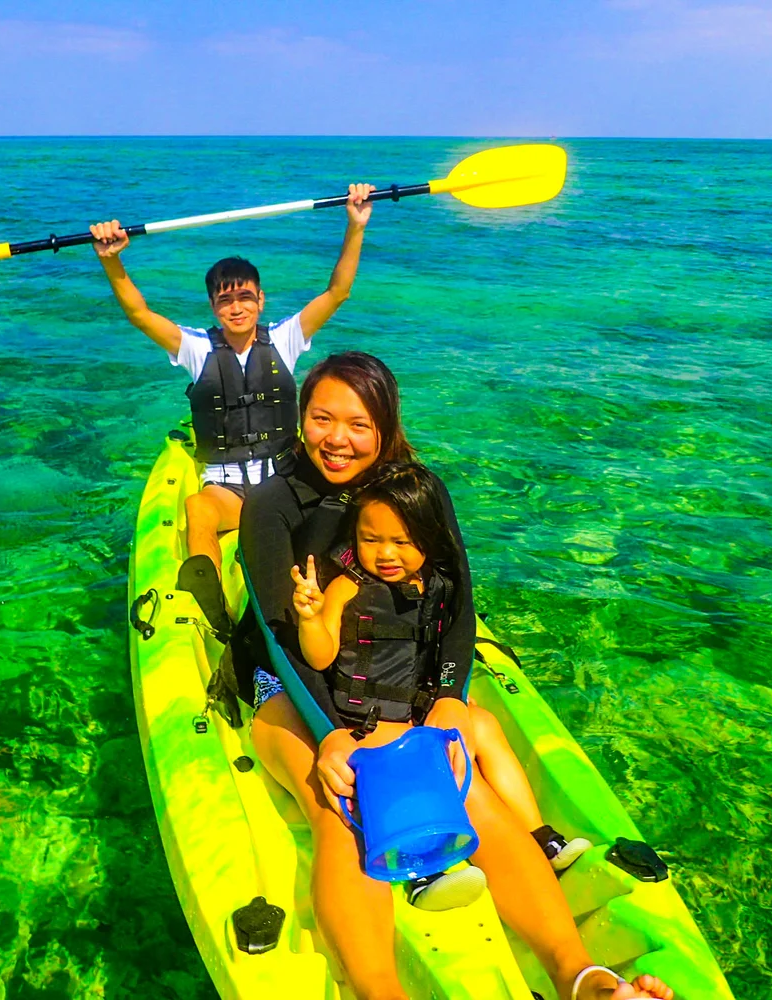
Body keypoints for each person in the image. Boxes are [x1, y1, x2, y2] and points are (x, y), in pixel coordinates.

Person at [239, 352, 674, 1000]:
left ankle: (580, 976)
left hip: (396, 673)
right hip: (295, 682)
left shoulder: (418, 491)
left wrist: (445, 699)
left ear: (385, 427)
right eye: (321, 418)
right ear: (301, 419)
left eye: (357, 423)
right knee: (341, 802)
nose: (336, 438)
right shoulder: (273, 505)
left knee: (469, 791)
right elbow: (284, 639)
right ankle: (379, 990)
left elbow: (456, 606)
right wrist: (334, 734)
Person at [89, 182, 375, 637]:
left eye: (244, 297)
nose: (236, 306)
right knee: (197, 508)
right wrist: (112, 260)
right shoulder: (196, 348)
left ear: (261, 300)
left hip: (283, 483)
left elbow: (337, 292)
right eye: (225, 299)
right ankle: (209, 596)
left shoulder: (286, 339)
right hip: (229, 492)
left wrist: (355, 225)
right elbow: (140, 315)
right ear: (213, 306)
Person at [290, 462, 591, 875]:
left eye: (403, 541)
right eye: (370, 539)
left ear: (429, 538)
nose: (386, 553)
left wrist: (450, 699)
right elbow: (320, 657)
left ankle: (541, 837)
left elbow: (449, 640)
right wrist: (310, 618)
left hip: (418, 710)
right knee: (400, 764)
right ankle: (425, 871)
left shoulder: (437, 584)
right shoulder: (346, 587)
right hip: (368, 720)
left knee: (484, 726)